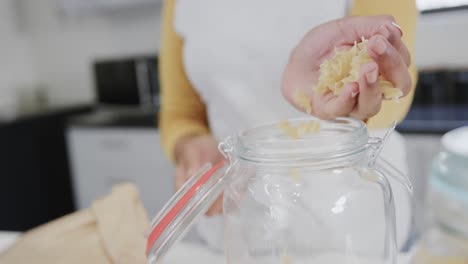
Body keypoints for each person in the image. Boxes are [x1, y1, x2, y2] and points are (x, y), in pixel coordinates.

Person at [159, 0, 418, 250]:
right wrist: (191, 144)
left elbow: (395, 87)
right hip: (237, 216)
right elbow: (180, 112)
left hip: (353, 211)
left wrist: (354, 90)